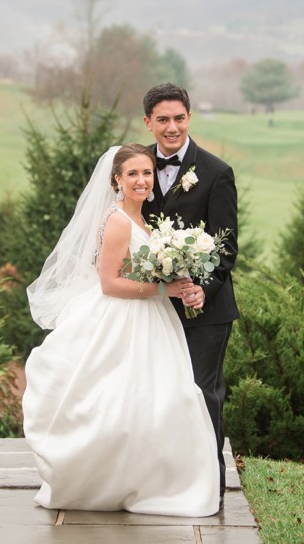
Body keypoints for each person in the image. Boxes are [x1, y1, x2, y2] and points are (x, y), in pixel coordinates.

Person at [22, 143, 220, 517]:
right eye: (132, 174)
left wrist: (178, 277)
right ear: (116, 180)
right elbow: (110, 283)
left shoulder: (145, 219)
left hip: (151, 317)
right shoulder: (116, 221)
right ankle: (107, 481)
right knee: (121, 401)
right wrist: (165, 289)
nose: (142, 180)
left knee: (158, 400)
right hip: (121, 318)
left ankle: (146, 479)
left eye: (146, 173)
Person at [141, 83, 239, 503]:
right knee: (155, 397)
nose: (171, 127)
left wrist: (200, 289)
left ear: (189, 118)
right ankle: (161, 486)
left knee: (201, 396)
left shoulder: (216, 172)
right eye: (162, 119)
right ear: (148, 122)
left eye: (179, 118)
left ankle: (208, 490)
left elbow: (226, 247)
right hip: (150, 311)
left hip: (206, 314)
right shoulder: (135, 165)